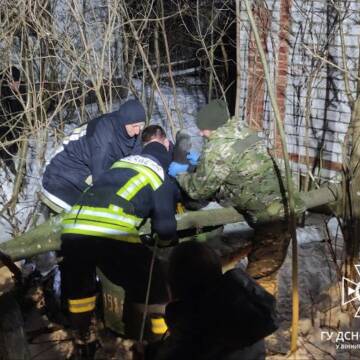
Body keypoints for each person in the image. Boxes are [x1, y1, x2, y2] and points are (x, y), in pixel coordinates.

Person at [60, 126, 179, 359]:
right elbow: (165, 228)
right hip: (112, 232)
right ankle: (159, 344)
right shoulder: (158, 175)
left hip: (73, 228)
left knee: (80, 285)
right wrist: (167, 244)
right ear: (165, 147)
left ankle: (85, 341)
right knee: (155, 286)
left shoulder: (120, 165)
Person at [168, 99, 305, 295]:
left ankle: (262, 320)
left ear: (214, 127)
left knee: (260, 280)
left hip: (273, 217)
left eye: (204, 129)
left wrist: (180, 174)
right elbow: (235, 165)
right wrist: (203, 162)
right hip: (283, 204)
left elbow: (198, 191)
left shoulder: (217, 148)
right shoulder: (241, 130)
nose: (200, 133)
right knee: (263, 269)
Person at [146, 241, 277, 360]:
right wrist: (151, 351)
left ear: (175, 286)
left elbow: (189, 347)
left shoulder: (192, 332)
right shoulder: (243, 311)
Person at [41, 98, 146, 213]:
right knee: (90, 217)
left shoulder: (133, 133)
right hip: (61, 178)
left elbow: (136, 161)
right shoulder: (105, 134)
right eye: (135, 126)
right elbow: (100, 176)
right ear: (124, 121)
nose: (137, 131)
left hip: (83, 176)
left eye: (141, 126)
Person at [0, 66, 25, 173]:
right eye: (12, 82)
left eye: (17, 82)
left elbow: (21, 108)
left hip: (15, 120)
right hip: (3, 120)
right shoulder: (2, 89)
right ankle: (10, 166)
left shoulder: (22, 88)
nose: (15, 85)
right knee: (5, 143)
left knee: (15, 146)